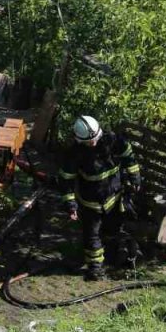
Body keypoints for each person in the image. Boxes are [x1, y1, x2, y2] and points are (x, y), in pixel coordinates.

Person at [57, 116, 143, 280]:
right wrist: (71, 205)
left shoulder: (112, 141)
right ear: (79, 140)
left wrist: (135, 177)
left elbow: (129, 156)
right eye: (89, 142)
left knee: (115, 230)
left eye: (95, 139)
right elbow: (66, 182)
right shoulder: (74, 154)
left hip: (114, 198)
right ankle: (95, 268)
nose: (93, 144)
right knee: (92, 236)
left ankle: (115, 258)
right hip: (90, 204)